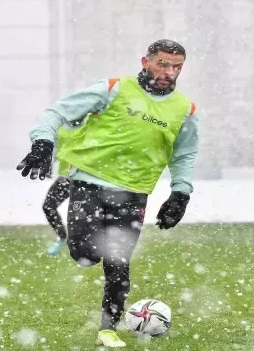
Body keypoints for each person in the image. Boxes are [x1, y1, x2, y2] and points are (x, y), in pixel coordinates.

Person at [16, 39, 199, 347]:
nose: (169, 72)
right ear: (145, 61)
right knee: (86, 256)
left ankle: (108, 328)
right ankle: (87, 249)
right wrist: (43, 143)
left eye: (177, 67)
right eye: (163, 64)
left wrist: (180, 193)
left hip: (133, 194)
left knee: (119, 261)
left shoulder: (186, 110)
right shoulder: (113, 88)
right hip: (89, 184)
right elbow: (55, 112)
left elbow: (185, 155)